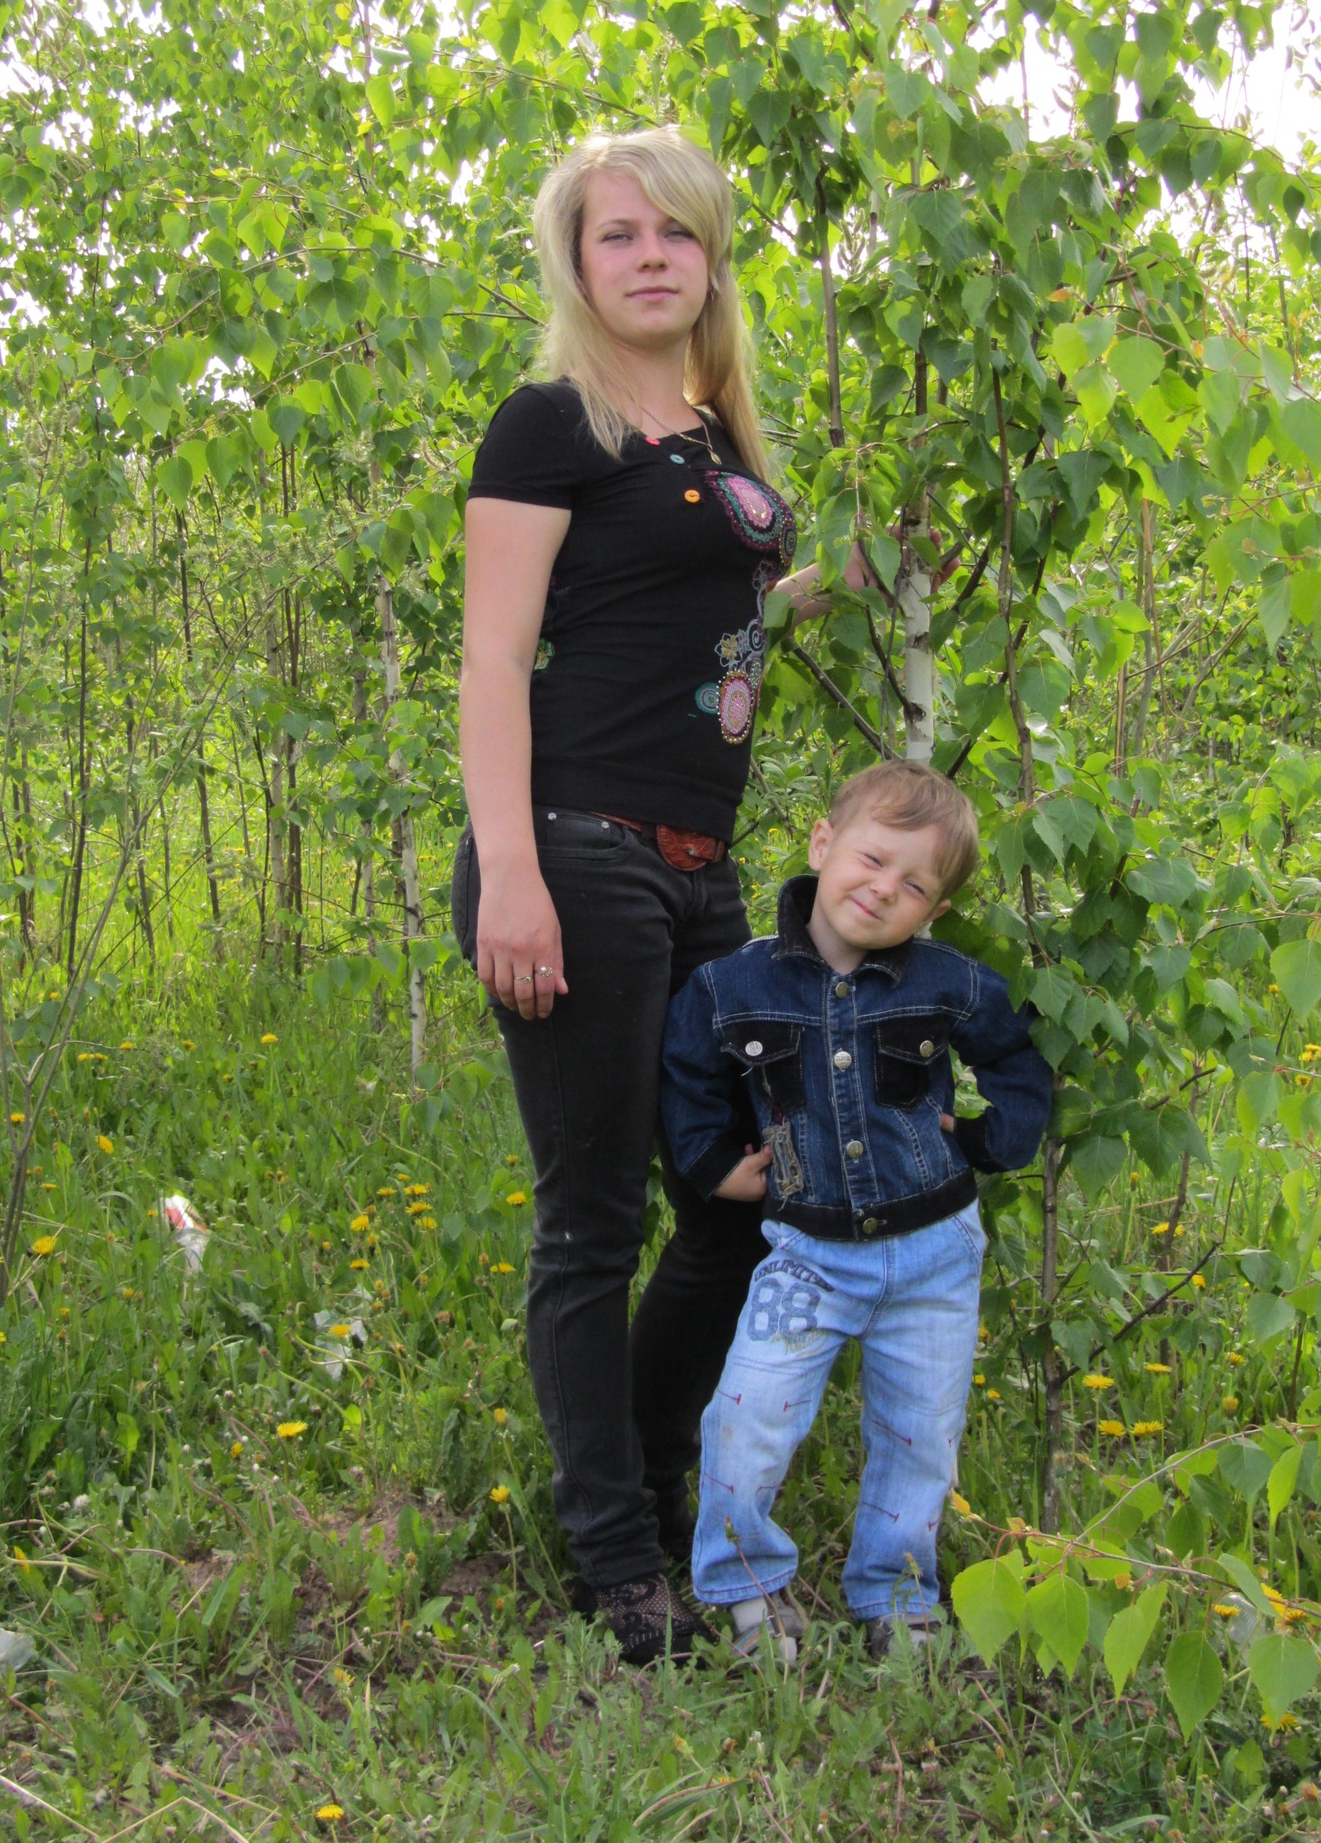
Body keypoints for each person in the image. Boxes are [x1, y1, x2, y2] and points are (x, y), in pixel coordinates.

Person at [453, 125, 872, 1665]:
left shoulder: (711, 432)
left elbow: (716, 626)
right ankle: (621, 1567)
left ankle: (629, 1477)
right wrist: (512, 874)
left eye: (675, 233)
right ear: (577, 262)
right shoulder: (549, 423)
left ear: (711, 258)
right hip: (575, 851)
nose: (649, 257)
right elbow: (494, 657)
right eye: (617, 234)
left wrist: (845, 580)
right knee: (594, 1223)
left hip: (704, 874)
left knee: (743, 1199)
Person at [659, 761, 1054, 1662]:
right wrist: (714, 1166)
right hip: (807, 1254)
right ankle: (748, 1588)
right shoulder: (731, 987)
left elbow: (1016, 1062)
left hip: (935, 1254)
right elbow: (686, 1074)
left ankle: (897, 1596)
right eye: (872, 860)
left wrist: (992, 1142)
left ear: (935, 909)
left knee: (920, 1438)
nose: (882, 889)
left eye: (913, 885)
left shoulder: (950, 983)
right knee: (748, 1414)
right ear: (823, 844)